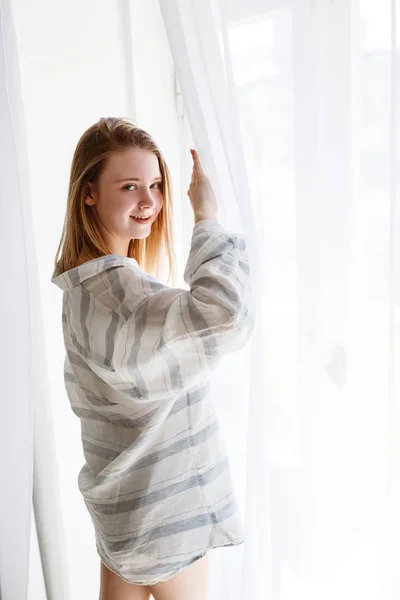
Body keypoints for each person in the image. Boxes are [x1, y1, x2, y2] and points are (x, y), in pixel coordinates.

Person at [51, 117, 254, 600]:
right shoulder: (122, 296)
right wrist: (206, 217)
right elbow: (226, 316)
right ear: (89, 193)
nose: (149, 201)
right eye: (129, 186)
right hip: (166, 515)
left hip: (121, 511)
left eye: (156, 185)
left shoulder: (81, 290)